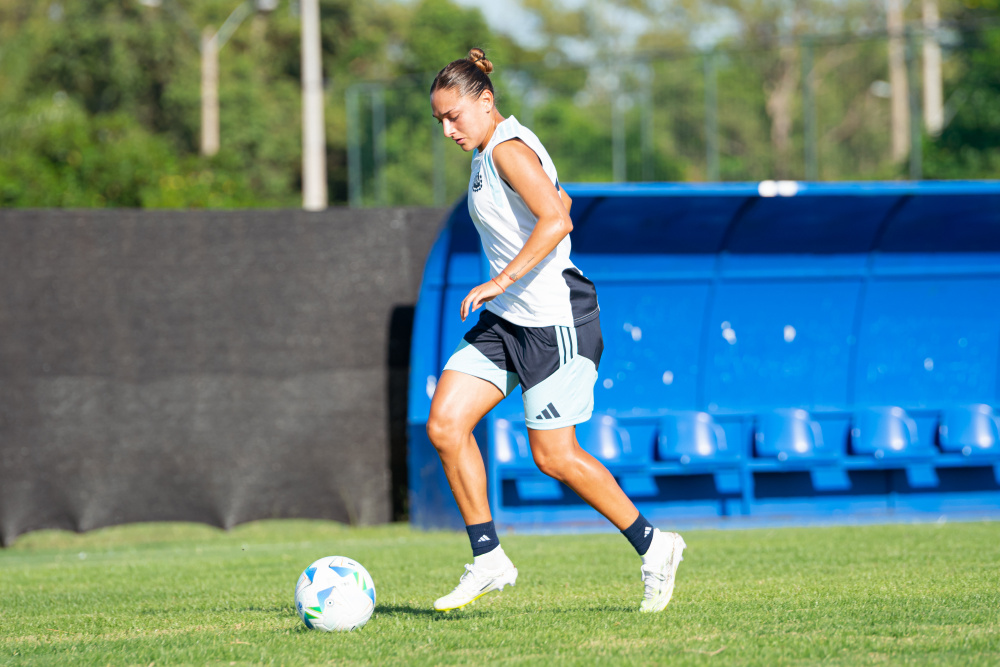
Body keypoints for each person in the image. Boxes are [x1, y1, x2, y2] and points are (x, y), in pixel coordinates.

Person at [426, 48, 685, 613]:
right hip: (509, 323)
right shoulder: (490, 149)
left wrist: (501, 280)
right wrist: (507, 286)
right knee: (446, 424)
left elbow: (559, 217)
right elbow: (558, 198)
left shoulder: (508, 149)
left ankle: (655, 545)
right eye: (440, 120)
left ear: (485, 103)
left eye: (455, 117)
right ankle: (489, 558)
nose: (448, 129)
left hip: (555, 321)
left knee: (555, 457)